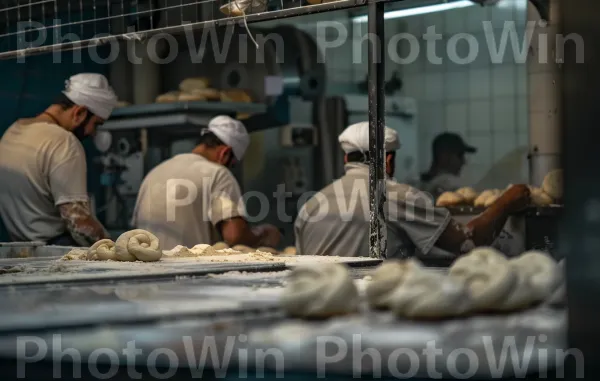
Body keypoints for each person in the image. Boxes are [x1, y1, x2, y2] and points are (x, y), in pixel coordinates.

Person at [294, 122, 530, 258]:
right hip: (377, 312)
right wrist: (506, 203)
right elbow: (469, 242)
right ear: (387, 160)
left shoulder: (310, 206)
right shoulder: (397, 196)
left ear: (346, 158)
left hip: (325, 317)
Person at [0, 73, 117, 246]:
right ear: (80, 112)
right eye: (97, 124)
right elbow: (79, 222)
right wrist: (112, 248)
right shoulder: (64, 141)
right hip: (57, 252)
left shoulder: (12, 132)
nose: (93, 133)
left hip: (20, 252)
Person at [132, 115, 281, 250]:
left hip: (146, 273)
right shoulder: (217, 173)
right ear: (225, 153)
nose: (230, 168)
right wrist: (262, 234)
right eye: (232, 164)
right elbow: (235, 236)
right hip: (188, 274)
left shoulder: (154, 173)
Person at [420, 132, 477, 198]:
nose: (463, 162)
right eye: (460, 155)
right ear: (444, 156)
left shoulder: (421, 185)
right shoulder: (448, 185)